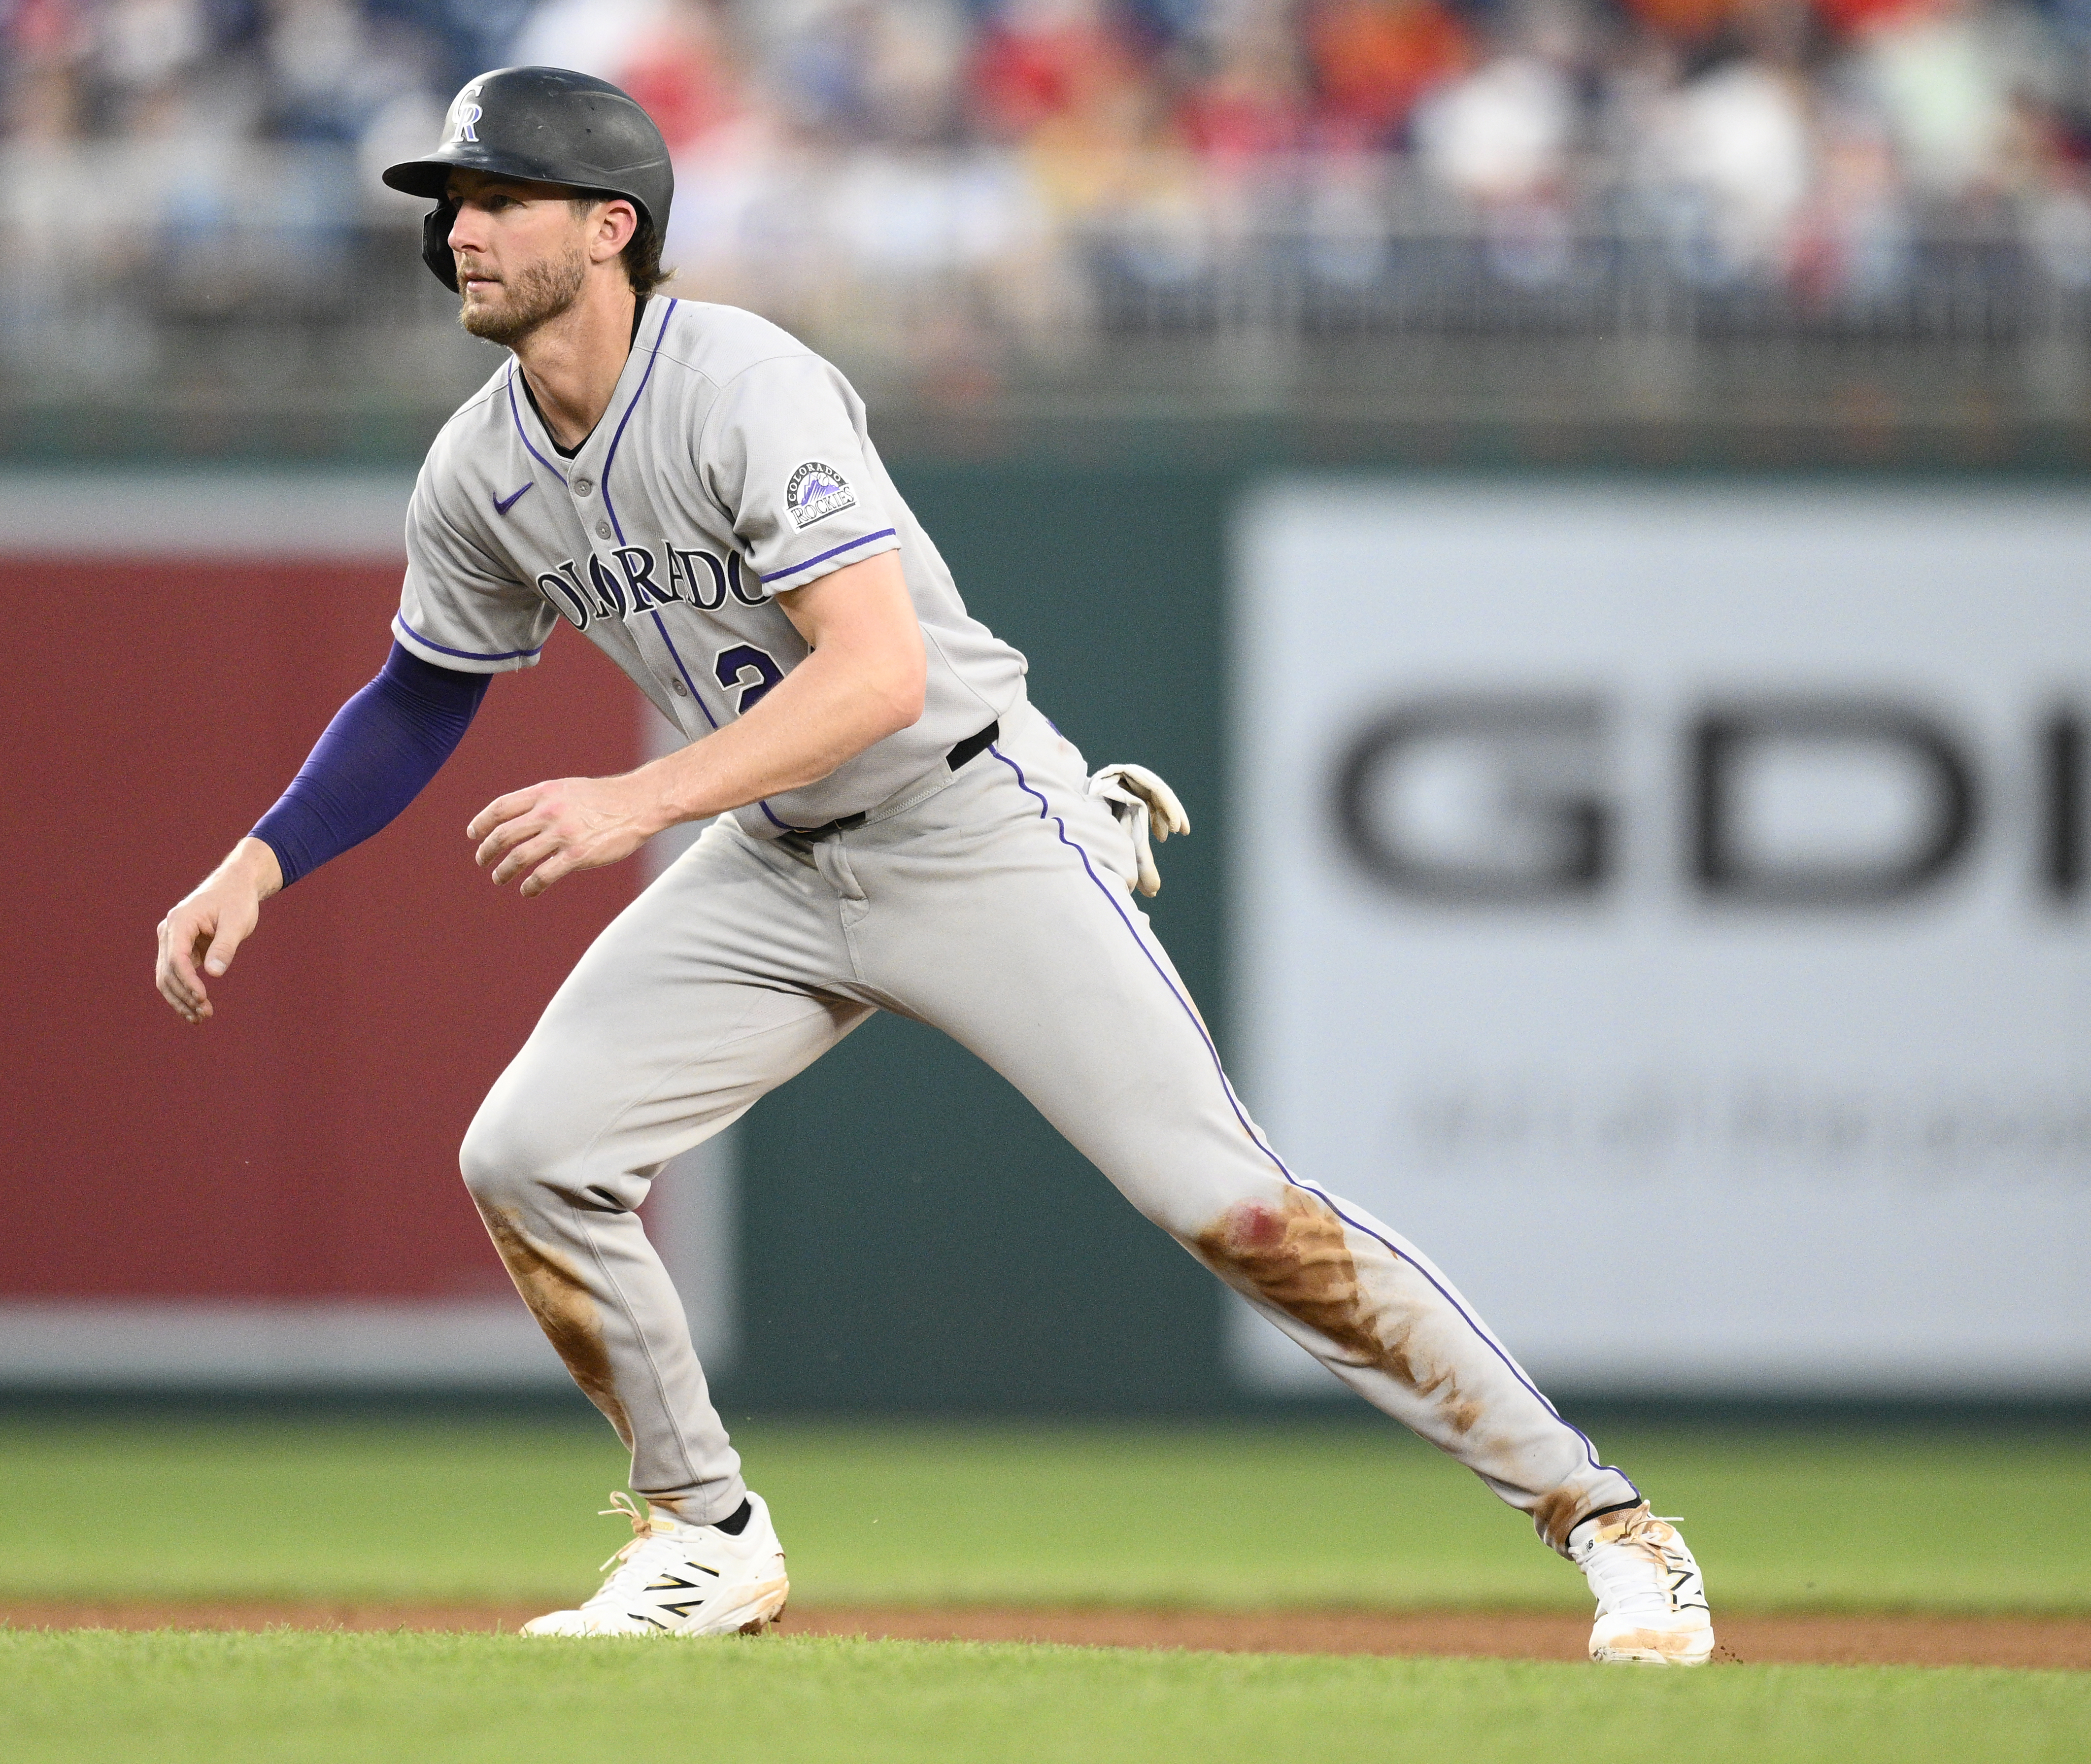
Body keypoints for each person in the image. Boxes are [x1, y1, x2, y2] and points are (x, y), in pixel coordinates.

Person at [151, 65, 1714, 1663]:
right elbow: (420, 691)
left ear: (609, 226)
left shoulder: (742, 383)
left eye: (496, 199)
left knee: (1234, 1208)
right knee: (529, 1154)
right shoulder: (478, 463)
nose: (460, 231)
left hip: (968, 821)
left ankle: (1607, 1520)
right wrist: (261, 861)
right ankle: (703, 1534)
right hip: (774, 850)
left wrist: (636, 803)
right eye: (450, 205)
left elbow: (876, 675)